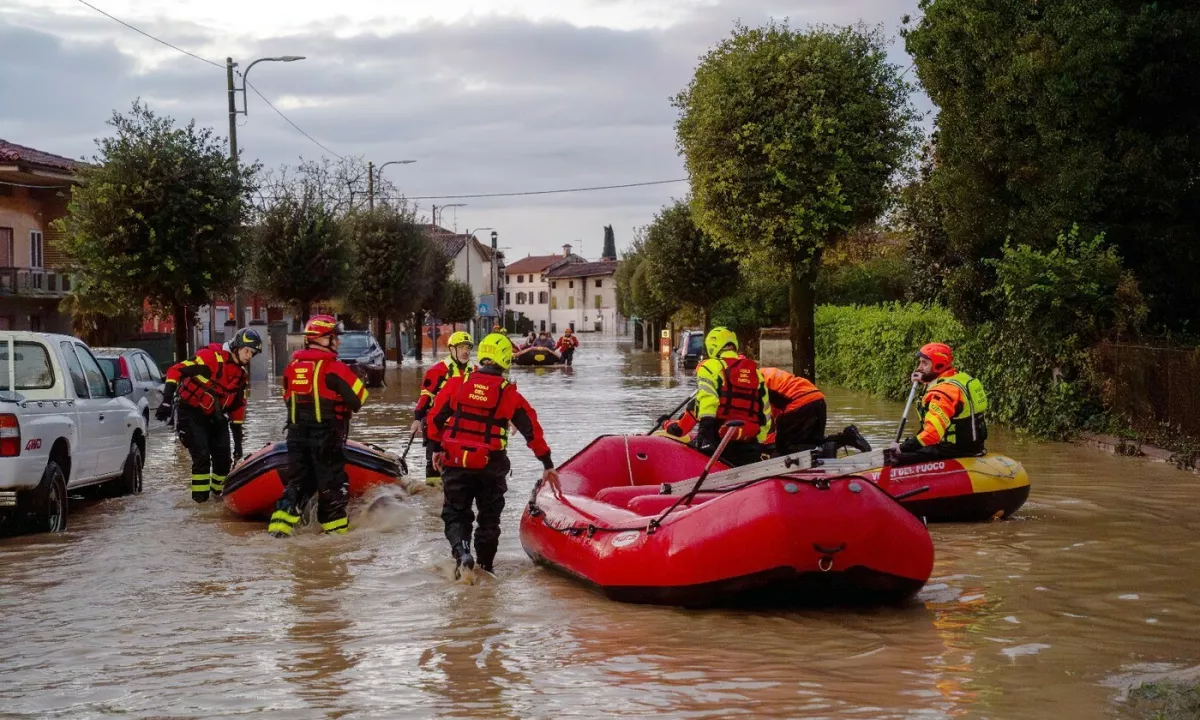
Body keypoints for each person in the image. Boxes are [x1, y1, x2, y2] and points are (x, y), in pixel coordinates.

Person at [426, 332, 558, 577]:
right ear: (505, 359)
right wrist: (547, 463)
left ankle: (462, 553)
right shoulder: (509, 393)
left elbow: (434, 419)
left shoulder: (458, 383)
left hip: (456, 462)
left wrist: (435, 449)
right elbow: (532, 430)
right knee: (489, 520)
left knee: (455, 513)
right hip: (491, 466)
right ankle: (486, 569)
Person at [268, 316, 369, 538]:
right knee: (332, 487)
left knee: (297, 485)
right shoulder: (335, 368)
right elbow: (358, 400)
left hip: (295, 437)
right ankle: (336, 543)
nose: (338, 343)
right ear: (323, 339)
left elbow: (287, 399)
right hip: (326, 437)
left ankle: (277, 533)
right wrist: (359, 376)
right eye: (335, 338)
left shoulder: (291, 367)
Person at [157, 328, 262, 502]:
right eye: (247, 350)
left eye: (252, 353)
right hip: (190, 412)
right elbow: (175, 370)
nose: (249, 356)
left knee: (224, 461)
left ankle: (218, 499)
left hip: (216, 417)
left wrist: (238, 443)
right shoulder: (210, 358)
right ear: (237, 346)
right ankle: (200, 503)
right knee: (202, 457)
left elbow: (238, 407)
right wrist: (167, 400)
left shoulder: (241, 376)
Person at [684, 327, 772, 467]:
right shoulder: (755, 372)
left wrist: (704, 437)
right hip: (749, 440)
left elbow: (708, 401)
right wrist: (759, 442)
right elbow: (765, 411)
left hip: (720, 440)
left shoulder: (710, 366)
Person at [892, 342, 989, 463]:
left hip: (952, 449)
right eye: (920, 362)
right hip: (971, 445)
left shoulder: (943, 393)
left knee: (897, 458)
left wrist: (902, 448)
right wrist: (923, 378)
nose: (919, 368)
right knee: (912, 445)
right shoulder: (959, 378)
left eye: (924, 363)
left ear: (938, 366)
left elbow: (932, 434)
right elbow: (941, 381)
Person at [410, 331, 476, 487]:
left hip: (460, 427)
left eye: (468, 348)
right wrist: (417, 419)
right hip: (436, 424)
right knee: (433, 466)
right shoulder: (438, 370)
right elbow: (425, 397)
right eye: (461, 348)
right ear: (452, 349)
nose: (465, 351)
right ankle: (432, 496)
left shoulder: (475, 371)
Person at [760, 367, 872, 457]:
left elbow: (764, 424)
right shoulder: (763, 373)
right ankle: (847, 437)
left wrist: (763, 447)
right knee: (815, 441)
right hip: (817, 398)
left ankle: (823, 451)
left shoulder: (753, 383)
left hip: (798, 402)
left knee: (783, 449)